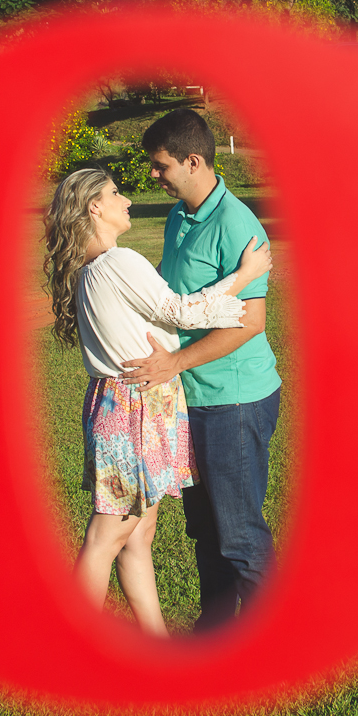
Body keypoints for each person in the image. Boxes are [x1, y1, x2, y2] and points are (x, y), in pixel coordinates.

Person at [43, 167, 272, 638]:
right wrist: (244, 277)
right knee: (107, 535)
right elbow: (180, 312)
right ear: (95, 207)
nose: (127, 200)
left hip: (136, 401)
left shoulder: (94, 267)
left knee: (139, 534)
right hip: (134, 404)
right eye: (116, 193)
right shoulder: (117, 261)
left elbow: (163, 308)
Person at [119, 109, 282, 631]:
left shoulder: (237, 225)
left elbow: (251, 322)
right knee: (206, 531)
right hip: (193, 398)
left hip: (234, 400)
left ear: (193, 161)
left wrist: (174, 362)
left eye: (160, 165)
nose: (153, 175)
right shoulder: (177, 217)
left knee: (238, 533)